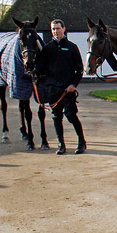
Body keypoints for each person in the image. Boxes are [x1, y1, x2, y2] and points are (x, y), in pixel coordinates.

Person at [40, 19, 86, 155]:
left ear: (64, 29)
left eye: (58, 28)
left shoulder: (72, 47)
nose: (56, 31)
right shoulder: (47, 49)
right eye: (53, 29)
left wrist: (73, 84)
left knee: (71, 116)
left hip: (68, 89)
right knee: (56, 117)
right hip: (52, 89)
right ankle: (61, 144)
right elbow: (41, 67)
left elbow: (79, 69)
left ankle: (82, 142)